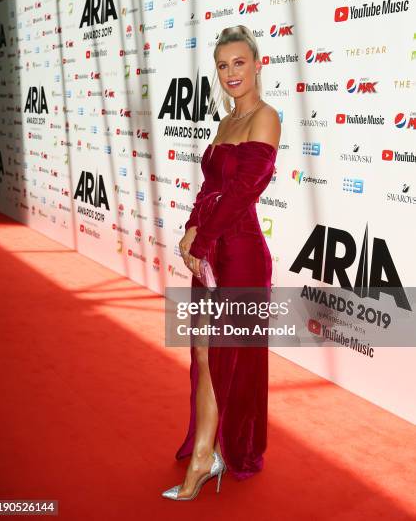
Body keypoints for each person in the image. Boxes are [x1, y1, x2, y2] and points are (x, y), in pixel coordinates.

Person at [162, 25, 281, 500]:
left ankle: (207, 459)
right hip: (210, 252)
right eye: (223, 65)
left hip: (242, 256)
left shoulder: (265, 118)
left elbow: (242, 192)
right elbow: (210, 189)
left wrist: (204, 237)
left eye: (239, 63)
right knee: (203, 354)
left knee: (229, 359)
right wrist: (191, 228)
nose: (231, 73)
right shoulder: (225, 121)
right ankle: (208, 452)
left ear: (257, 65)